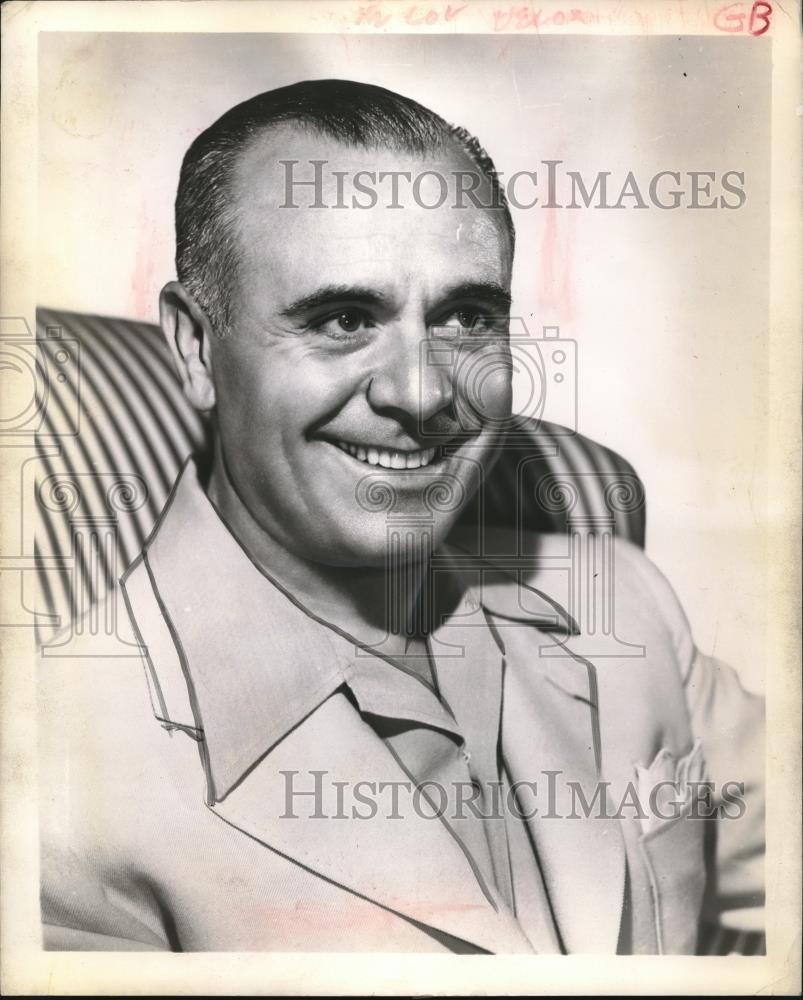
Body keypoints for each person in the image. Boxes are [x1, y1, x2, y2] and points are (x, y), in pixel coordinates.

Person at [38, 79, 764, 954]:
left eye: (465, 317)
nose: (420, 392)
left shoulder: (624, 603)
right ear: (197, 347)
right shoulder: (55, 777)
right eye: (343, 318)